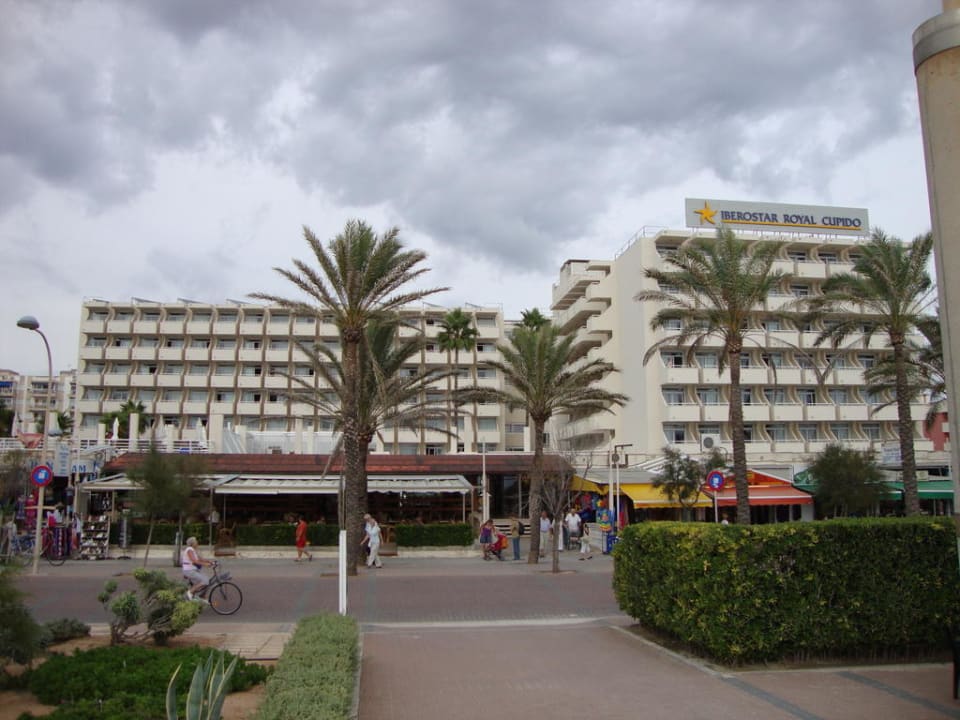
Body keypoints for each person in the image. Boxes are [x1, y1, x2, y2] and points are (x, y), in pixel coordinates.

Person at [181, 536, 213, 600]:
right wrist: (206, 565)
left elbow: (200, 559)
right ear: (192, 543)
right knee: (205, 581)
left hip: (193, 570)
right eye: (196, 541)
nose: (197, 542)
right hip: (189, 571)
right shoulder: (189, 549)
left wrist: (210, 561)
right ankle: (189, 592)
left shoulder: (193, 550)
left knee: (206, 581)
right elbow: (194, 561)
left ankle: (201, 596)